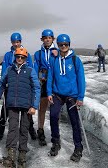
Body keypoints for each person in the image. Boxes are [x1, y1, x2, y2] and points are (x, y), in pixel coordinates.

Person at [0, 47, 40, 168]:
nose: (20, 59)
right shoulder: (9, 69)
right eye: (18, 56)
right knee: (12, 129)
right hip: (12, 104)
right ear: (15, 57)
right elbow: (2, 84)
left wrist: (34, 106)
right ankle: (11, 156)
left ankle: (22, 157)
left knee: (24, 130)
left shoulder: (30, 70)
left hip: (27, 106)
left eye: (22, 57)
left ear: (25, 58)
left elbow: (36, 88)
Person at [47, 34, 86, 162]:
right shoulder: (54, 59)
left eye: (66, 44)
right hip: (57, 94)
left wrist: (80, 96)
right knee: (53, 116)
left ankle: (78, 147)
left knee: (74, 121)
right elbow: (50, 77)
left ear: (69, 45)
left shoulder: (75, 60)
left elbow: (81, 79)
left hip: (72, 95)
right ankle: (56, 142)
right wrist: (48, 92)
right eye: (61, 45)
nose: (63, 47)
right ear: (58, 45)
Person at [0, 32, 37, 143]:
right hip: (11, 86)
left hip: (23, 87)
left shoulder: (26, 54)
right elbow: (5, 69)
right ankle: (0, 133)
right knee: (5, 110)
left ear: (20, 41)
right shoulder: (8, 54)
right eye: (14, 42)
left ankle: (31, 130)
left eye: (18, 42)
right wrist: (5, 84)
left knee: (26, 111)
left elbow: (30, 68)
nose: (16, 44)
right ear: (11, 42)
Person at [33, 29, 58, 146]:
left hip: (55, 83)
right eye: (45, 38)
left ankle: (55, 134)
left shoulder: (58, 51)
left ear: (53, 39)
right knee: (42, 108)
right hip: (42, 81)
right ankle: (40, 129)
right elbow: (35, 68)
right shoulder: (38, 53)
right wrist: (36, 81)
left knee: (54, 109)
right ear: (42, 39)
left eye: (49, 37)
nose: (47, 39)